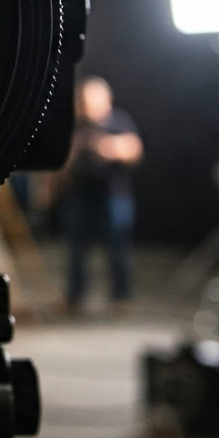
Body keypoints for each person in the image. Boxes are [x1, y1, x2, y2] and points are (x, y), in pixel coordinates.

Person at [59, 76, 143, 317]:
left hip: (112, 197)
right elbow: (61, 164)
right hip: (80, 196)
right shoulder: (76, 126)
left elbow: (134, 149)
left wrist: (107, 148)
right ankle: (74, 297)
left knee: (117, 249)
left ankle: (121, 297)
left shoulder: (119, 120)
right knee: (76, 250)